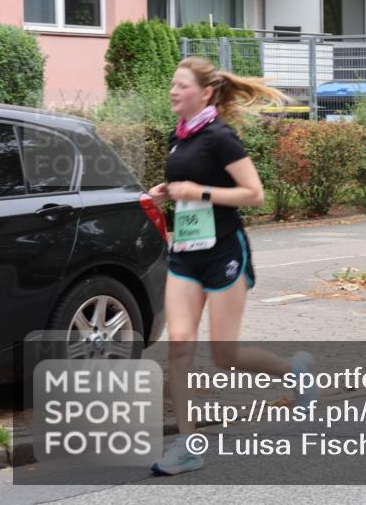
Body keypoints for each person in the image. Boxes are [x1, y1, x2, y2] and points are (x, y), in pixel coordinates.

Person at [147, 57, 316, 475]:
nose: (172, 90)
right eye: (172, 83)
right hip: (186, 252)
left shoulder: (221, 136)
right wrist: (169, 193)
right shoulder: (178, 137)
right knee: (180, 346)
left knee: (225, 355)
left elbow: (254, 194)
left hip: (224, 252)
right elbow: (190, 183)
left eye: (180, 85)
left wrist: (198, 191)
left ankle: (295, 372)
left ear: (204, 93)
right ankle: (187, 445)